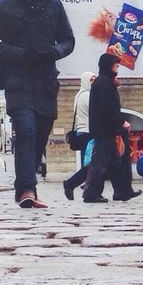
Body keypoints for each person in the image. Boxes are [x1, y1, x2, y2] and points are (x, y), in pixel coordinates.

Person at [0, 0, 75, 209]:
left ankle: (25, 183)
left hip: (45, 78)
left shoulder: (54, 6)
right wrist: (18, 54)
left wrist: (53, 53)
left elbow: (68, 40)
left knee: (41, 133)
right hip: (16, 76)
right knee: (26, 129)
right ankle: (26, 190)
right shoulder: (3, 5)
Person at [82, 52, 128, 203]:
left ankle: (121, 191)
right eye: (116, 64)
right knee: (99, 163)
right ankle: (91, 194)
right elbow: (108, 107)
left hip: (105, 128)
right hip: (104, 129)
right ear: (109, 65)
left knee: (114, 162)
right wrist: (121, 121)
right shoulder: (103, 82)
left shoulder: (106, 81)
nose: (117, 67)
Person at [62, 72, 94, 200]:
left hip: (82, 132)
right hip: (88, 133)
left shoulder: (78, 95)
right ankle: (70, 183)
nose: (93, 82)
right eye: (91, 80)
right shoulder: (87, 96)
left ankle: (89, 187)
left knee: (92, 163)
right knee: (91, 164)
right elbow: (95, 112)